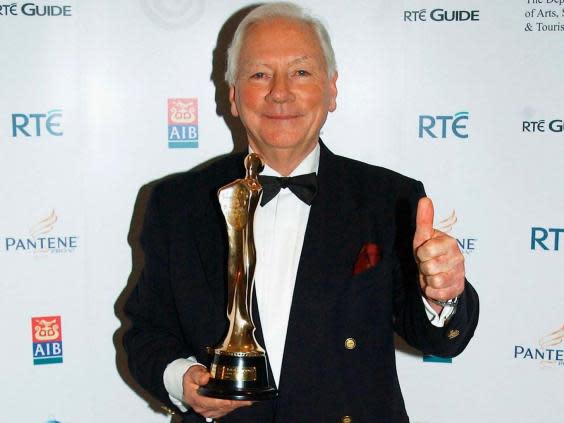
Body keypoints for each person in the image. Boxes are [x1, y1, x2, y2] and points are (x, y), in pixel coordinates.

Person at [123, 3, 479, 422]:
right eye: (259, 74)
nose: (279, 92)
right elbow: (146, 332)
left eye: (301, 72)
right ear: (234, 96)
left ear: (332, 90)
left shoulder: (391, 199)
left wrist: (443, 294)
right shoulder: (177, 203)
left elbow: (439, 340)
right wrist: (182, 379)